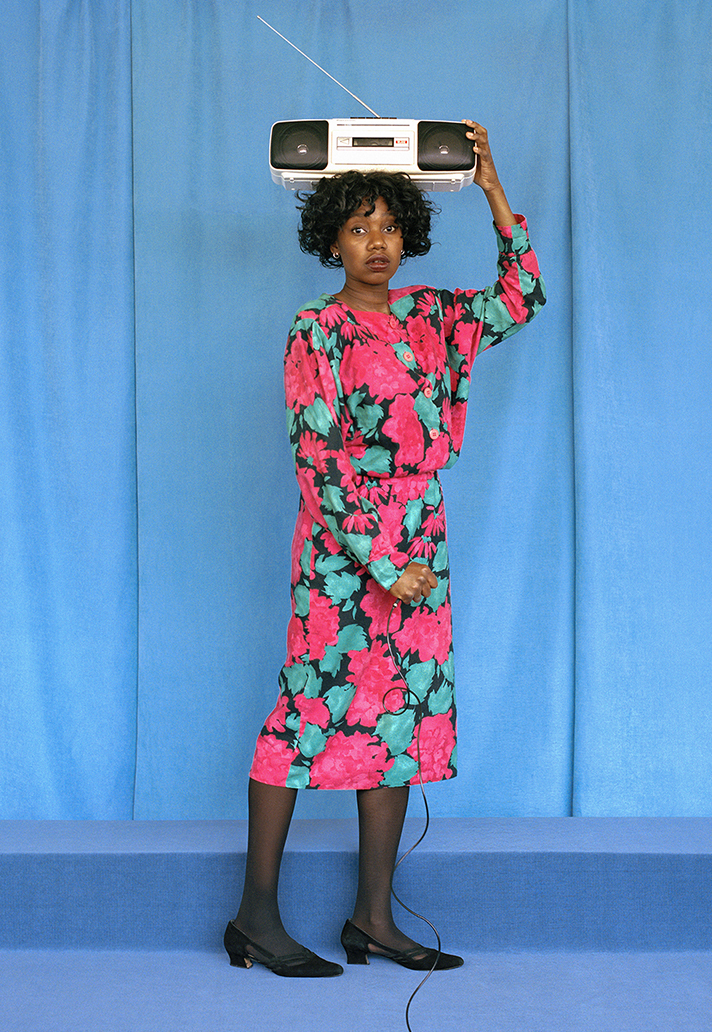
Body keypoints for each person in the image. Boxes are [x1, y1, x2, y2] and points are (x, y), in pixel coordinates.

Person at [225, 122, 545, 977]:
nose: (377, 241)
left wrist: (490, 188)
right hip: (344, 554)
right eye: (358, 226)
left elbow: (522, 296)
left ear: (410, 234)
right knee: (303, 717)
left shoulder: (435, 316)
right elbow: (318, 461)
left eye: (391, 225)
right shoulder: (316, 330)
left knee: (398, 722)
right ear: (328, 238)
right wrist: (381, 563)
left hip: (422, 540)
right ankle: (255, 915)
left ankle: (372, 918)